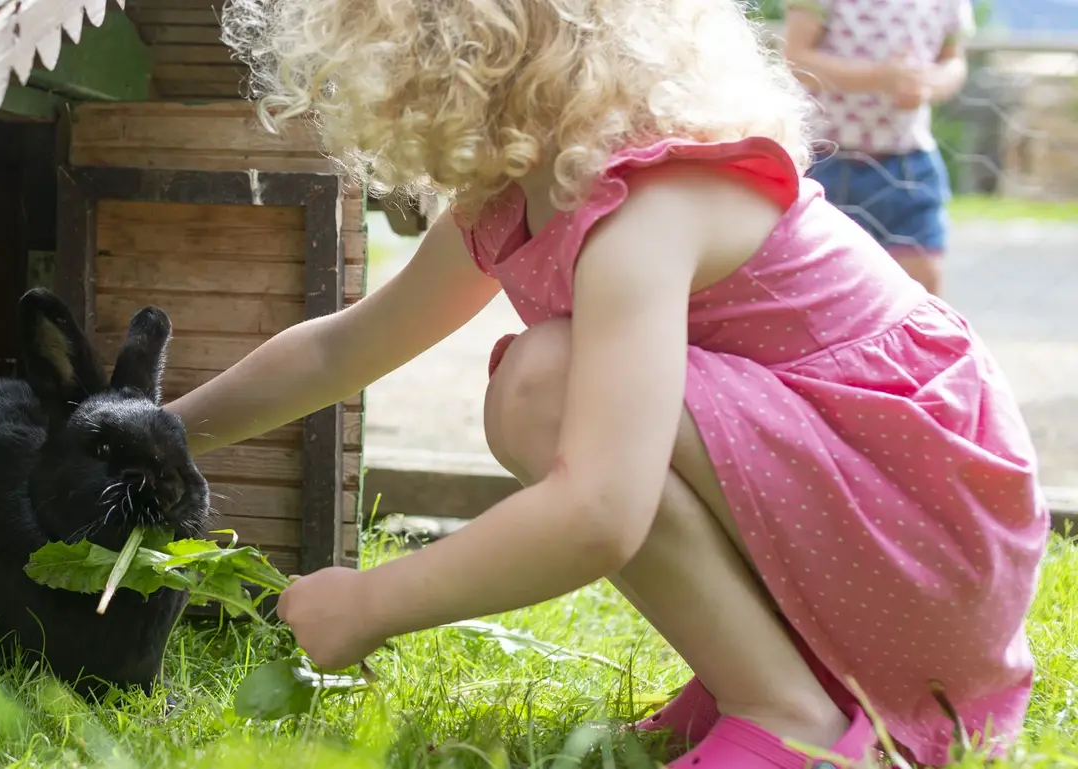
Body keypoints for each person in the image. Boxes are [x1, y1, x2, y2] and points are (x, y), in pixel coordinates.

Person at [170, 0, 1050, 766]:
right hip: (867, 525)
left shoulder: (649, 206)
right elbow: (344, 349)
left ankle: (792, 720)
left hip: (924, 535)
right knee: (547, 380)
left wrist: (369, 604)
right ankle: (774, 677)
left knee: (545, 386)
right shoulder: (517, 197)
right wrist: (164, 435)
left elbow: (598, 512)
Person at [782, 0, 975, 296]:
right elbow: (797, 59)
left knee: (922, 288)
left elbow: (954, 61)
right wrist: (879, 78)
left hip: (908, 157)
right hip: (829, 159)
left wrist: (930, 84)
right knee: (826, 290)